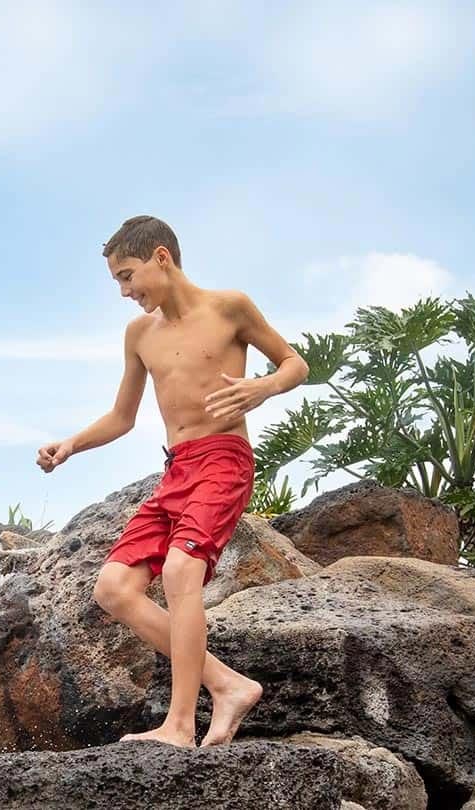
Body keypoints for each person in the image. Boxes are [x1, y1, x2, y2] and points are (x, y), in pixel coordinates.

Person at [37, 215, 308, 747]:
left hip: (224, 458)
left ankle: (180, 725)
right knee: (113, 588)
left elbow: (295, 363)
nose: (124, 291)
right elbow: (122, 416)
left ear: (162, 257)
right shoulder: (140, 334)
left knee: (182, 571)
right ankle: (227, 685)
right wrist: (71, 443)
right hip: (177, 469)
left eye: (127, 275)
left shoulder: (230, 308)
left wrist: (263, 388)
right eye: (117, 280)